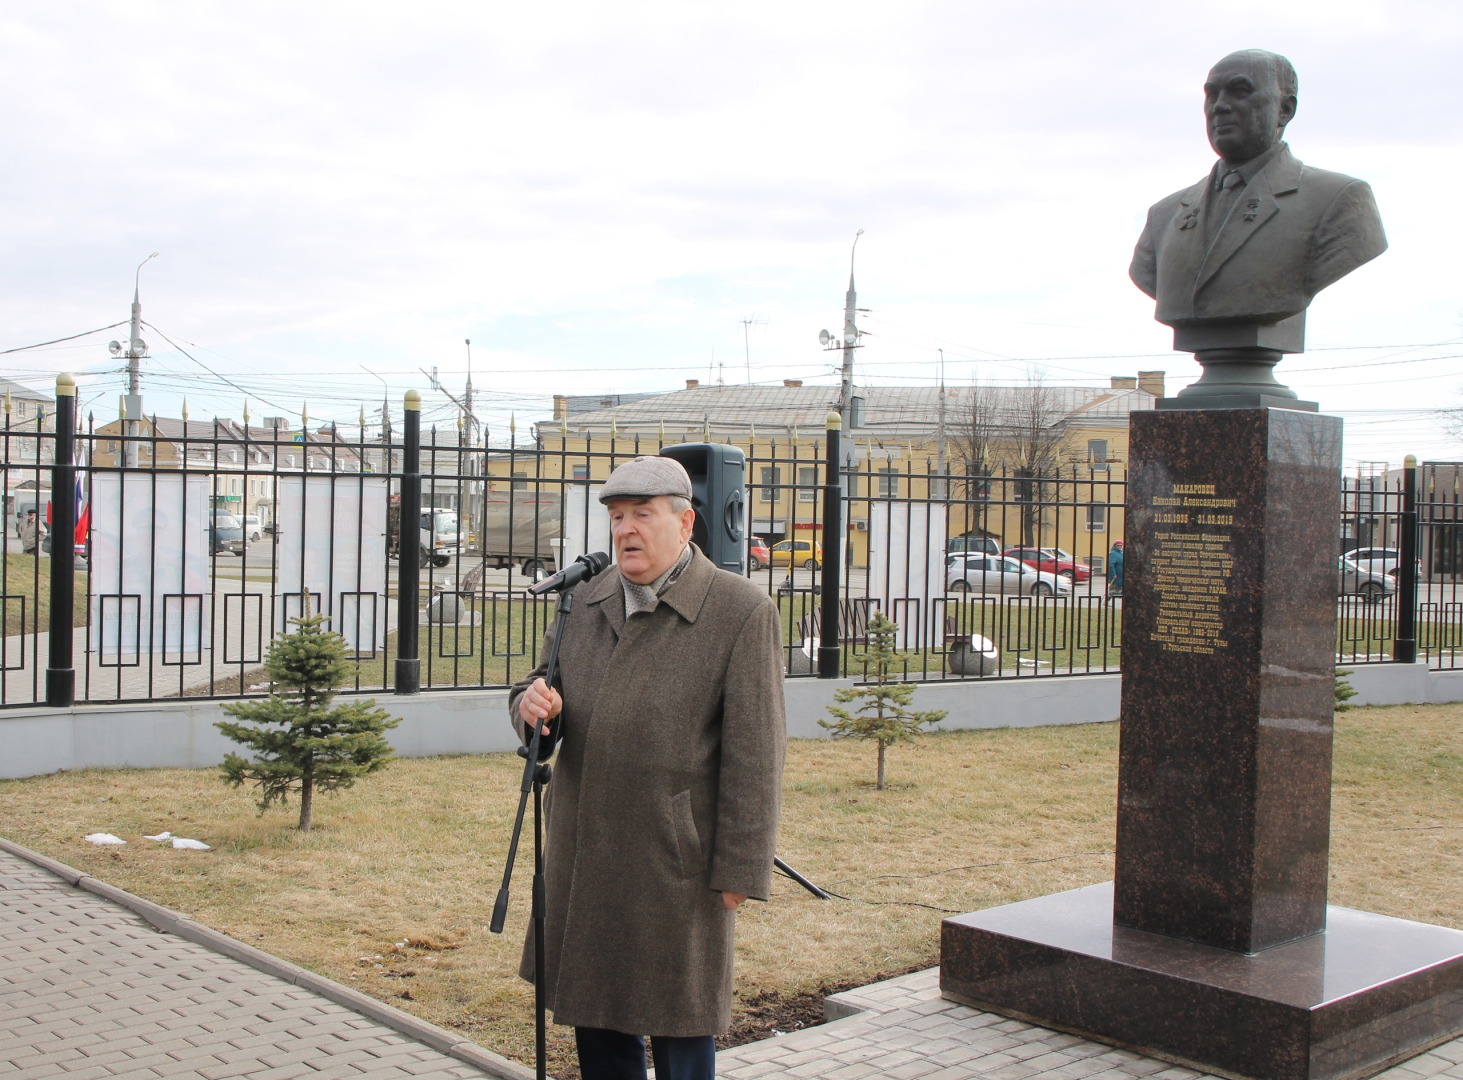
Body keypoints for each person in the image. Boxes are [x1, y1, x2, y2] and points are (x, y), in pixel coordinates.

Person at [510, 455, 786, 1080]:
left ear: (685, 523)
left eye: (642, 514)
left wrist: (740, 869)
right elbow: (541, 685)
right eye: (616, 517)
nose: (625, 530)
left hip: (676, 863)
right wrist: (531, 708)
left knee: (679, 1025)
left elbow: (756, 754)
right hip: (588, 852)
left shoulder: (739, 611)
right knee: (597, 1017)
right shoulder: (586, 599)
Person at [1130, 49, 1386, 333]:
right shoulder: (1163, 216)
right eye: (1212, 94)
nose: (1219, 106)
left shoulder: (1340, 199)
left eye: (1240, 91)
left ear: (1285, 109)